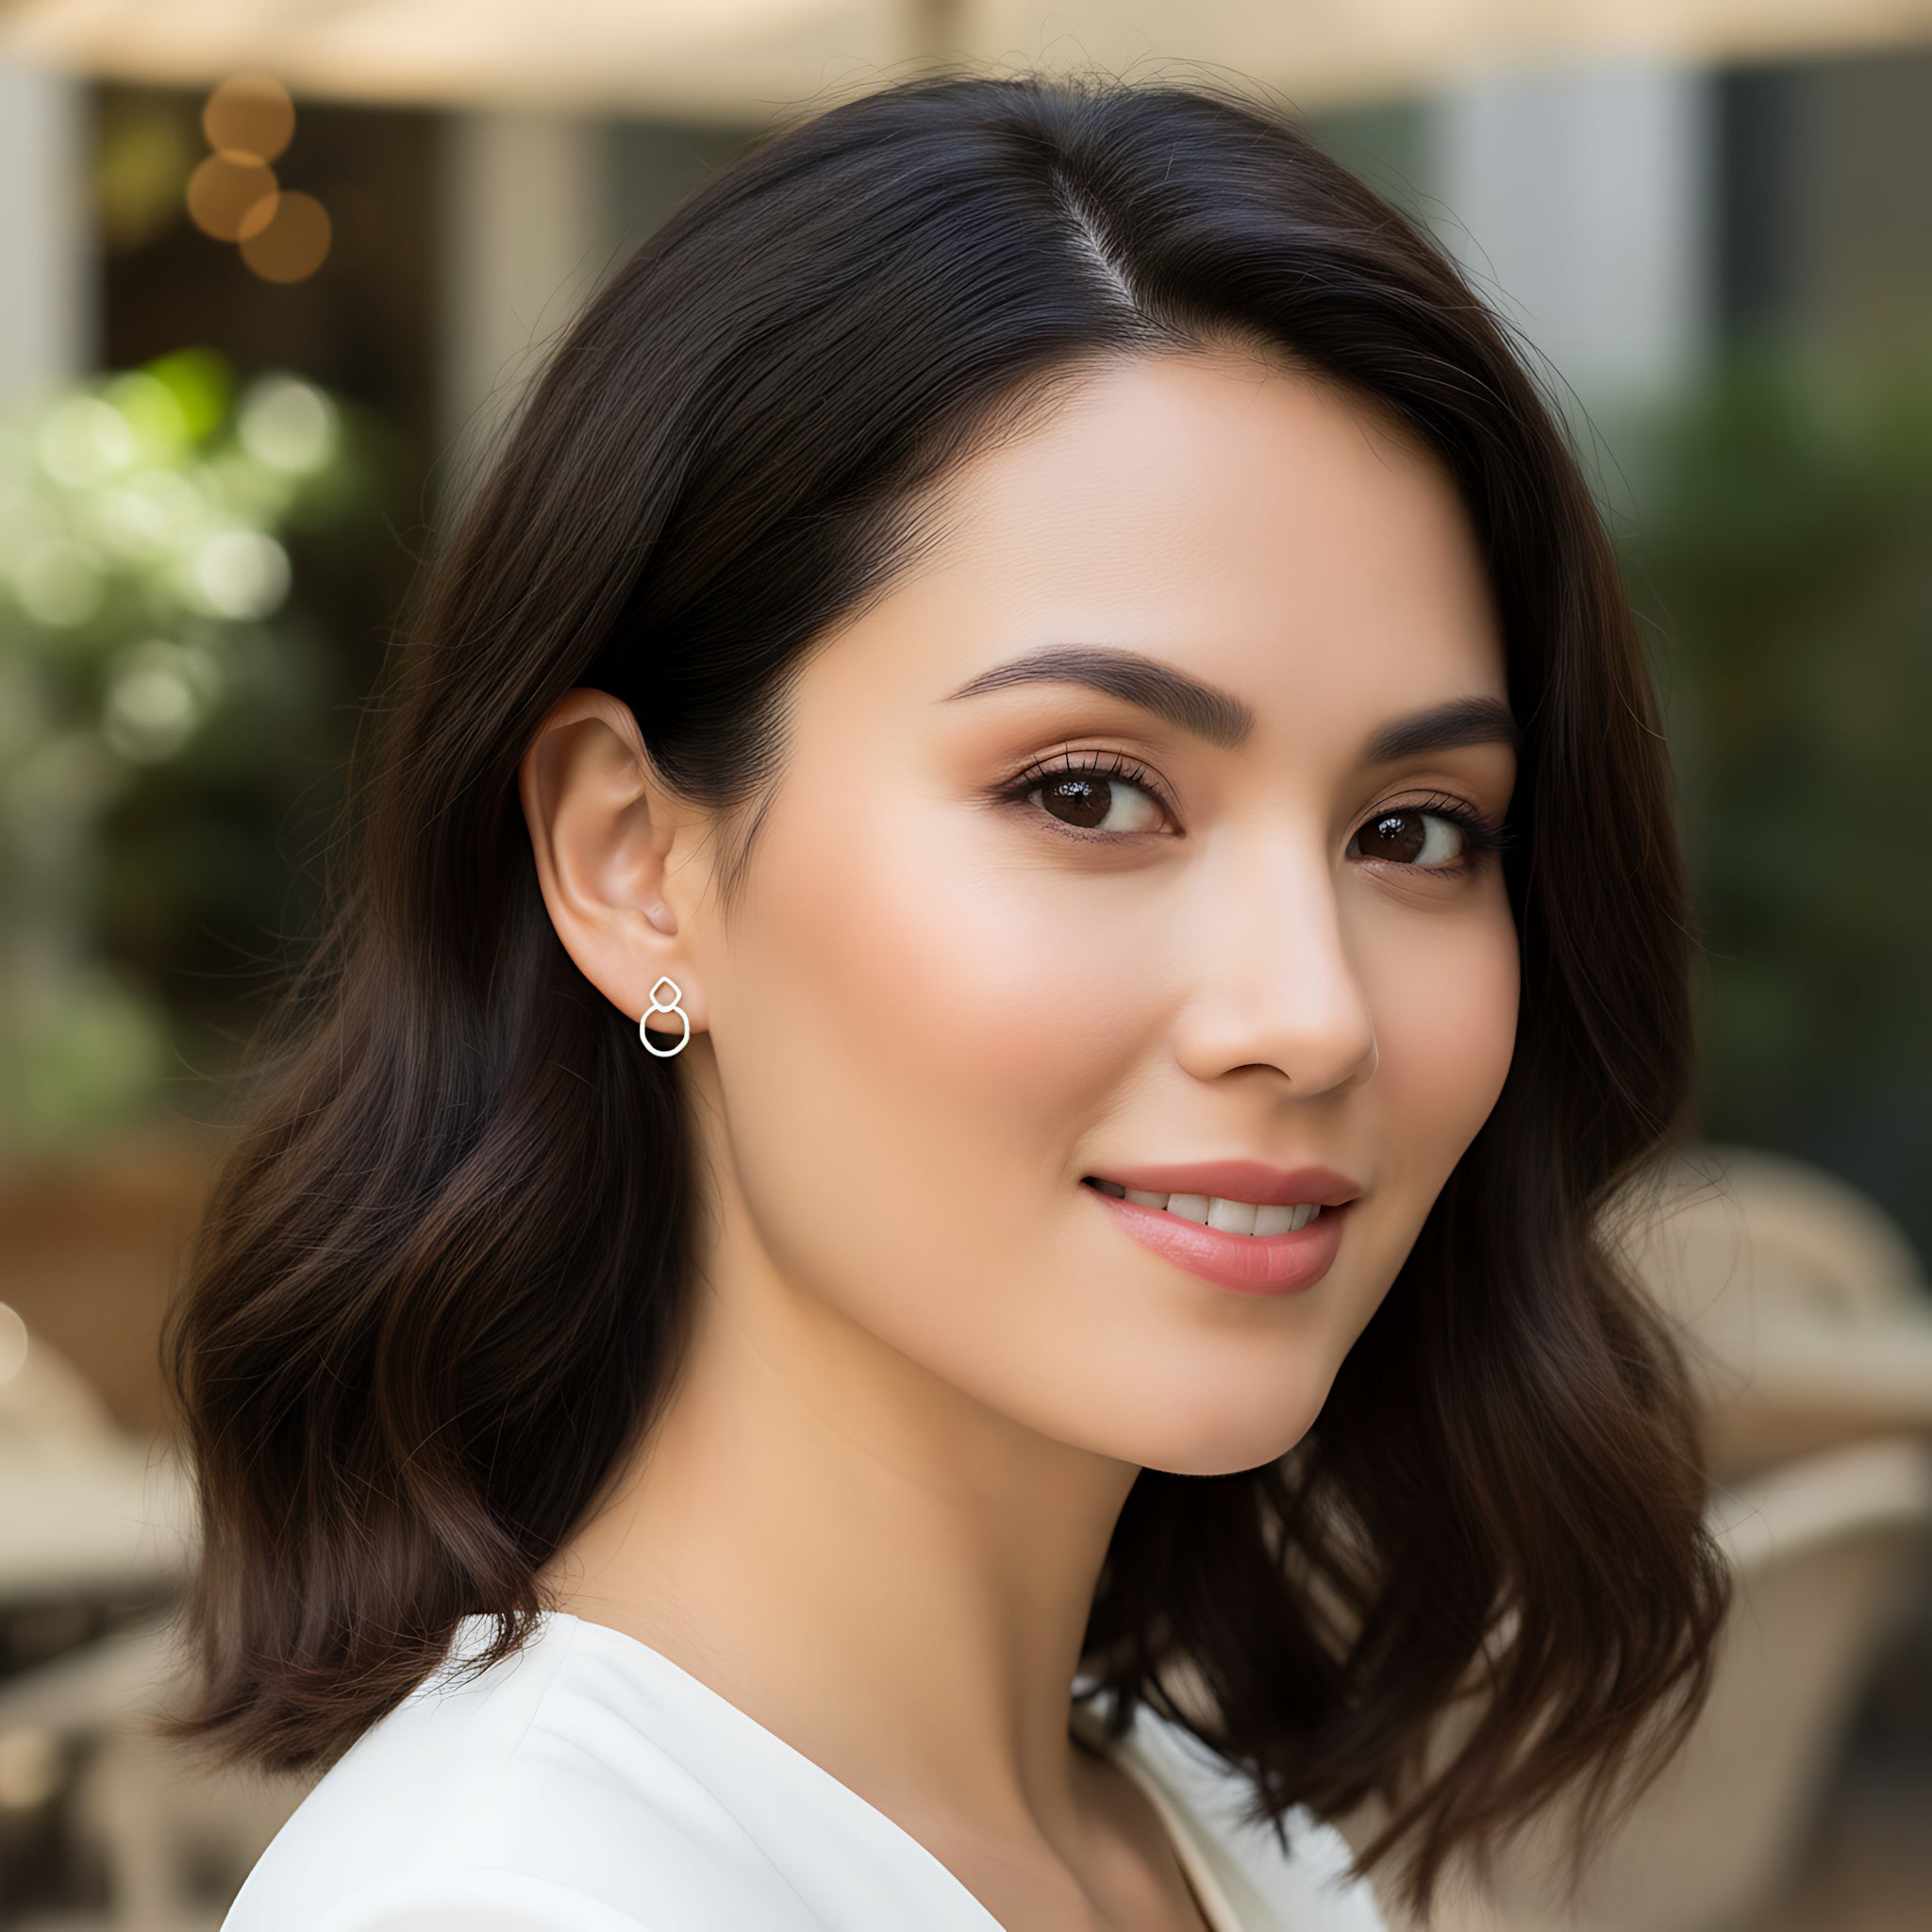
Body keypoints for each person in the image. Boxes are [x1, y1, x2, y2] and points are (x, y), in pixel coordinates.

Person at [160, 67, 1732, 1932]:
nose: (1311, 1014)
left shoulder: (1221, 1835)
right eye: (1086, 793)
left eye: (1414, 828)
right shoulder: (514, 1898)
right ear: (629, 858)